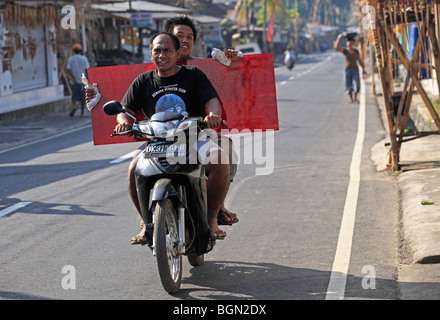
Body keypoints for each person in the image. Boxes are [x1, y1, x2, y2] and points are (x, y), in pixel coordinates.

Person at [86, 16, 239, 243]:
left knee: (220, 160)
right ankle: (147, 224)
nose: (162, 55)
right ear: (151, 54)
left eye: (167, 50)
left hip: (194, 137)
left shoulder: (194, 75)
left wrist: (213, 114)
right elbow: (124, 109)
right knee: (132, 170)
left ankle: (211, 219)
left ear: (177, 53)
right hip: (157, 142)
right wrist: (123, 120)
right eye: (157, 51)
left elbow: (212, 100)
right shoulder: (142, 81)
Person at [334, 33, 366, 103]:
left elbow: (360, 61)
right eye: (348, 42)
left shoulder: (356, 51)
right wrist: (338, 38)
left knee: (356, 83)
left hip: (355, 70)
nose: (349, 44)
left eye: (351, 43)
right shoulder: (345, 51)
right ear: (346, 43)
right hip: (347, 70)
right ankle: (351, 99)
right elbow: (337, 47)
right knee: (348, 85)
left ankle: (355, 98)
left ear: (353, 43)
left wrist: (363, 69)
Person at [67, 44, 90, 117]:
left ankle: (74, 106)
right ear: (80, 50)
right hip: (83, 81)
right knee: (83, 97)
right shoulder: (84, 59)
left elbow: (68, 69)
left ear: (73, 51)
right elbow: (87, 69)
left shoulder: (70, 59)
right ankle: (82, 113)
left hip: (74, 81)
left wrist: (73, 77)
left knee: (74, 95)